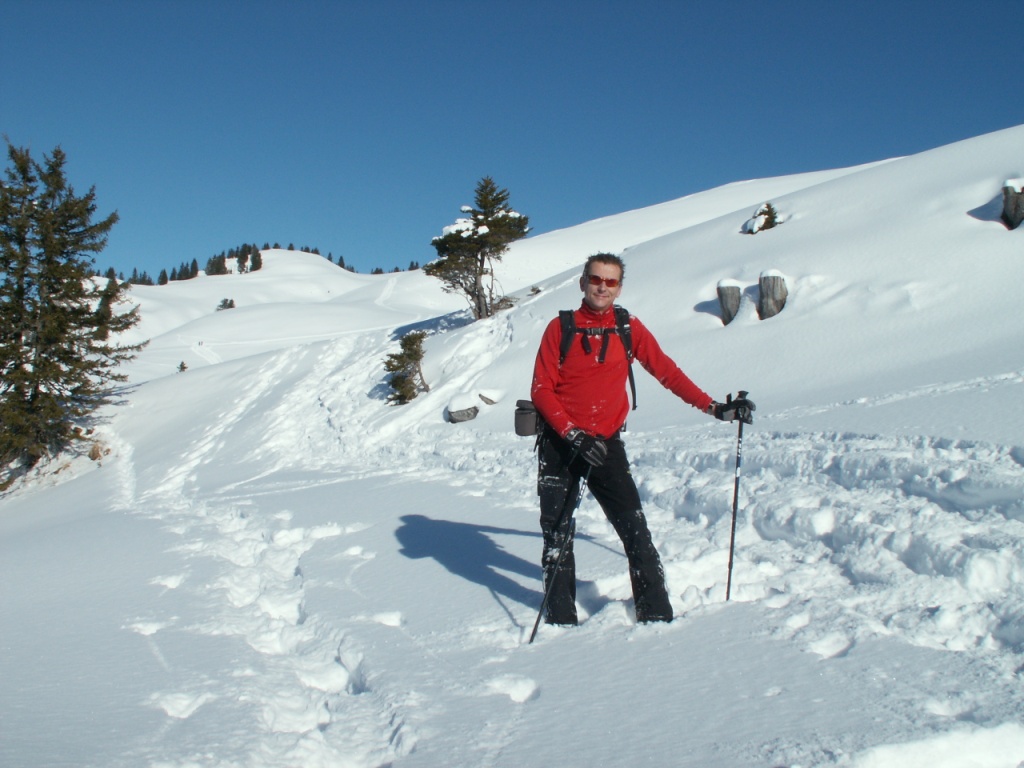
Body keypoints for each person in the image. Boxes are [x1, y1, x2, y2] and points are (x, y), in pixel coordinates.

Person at [530, 252, 754, 625]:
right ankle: (560, 622)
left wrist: (714, 408)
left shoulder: (627, 327)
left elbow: (667, 371)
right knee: (557, 537)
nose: (603, 286)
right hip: (560, 445)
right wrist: (571, 434)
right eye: (596, 279)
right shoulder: (560, 328)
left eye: (611, 281)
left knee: (635, 530)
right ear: (583, 282)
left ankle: (656, 617)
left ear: (619, 287)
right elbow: (541, 389)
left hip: (606, 445)